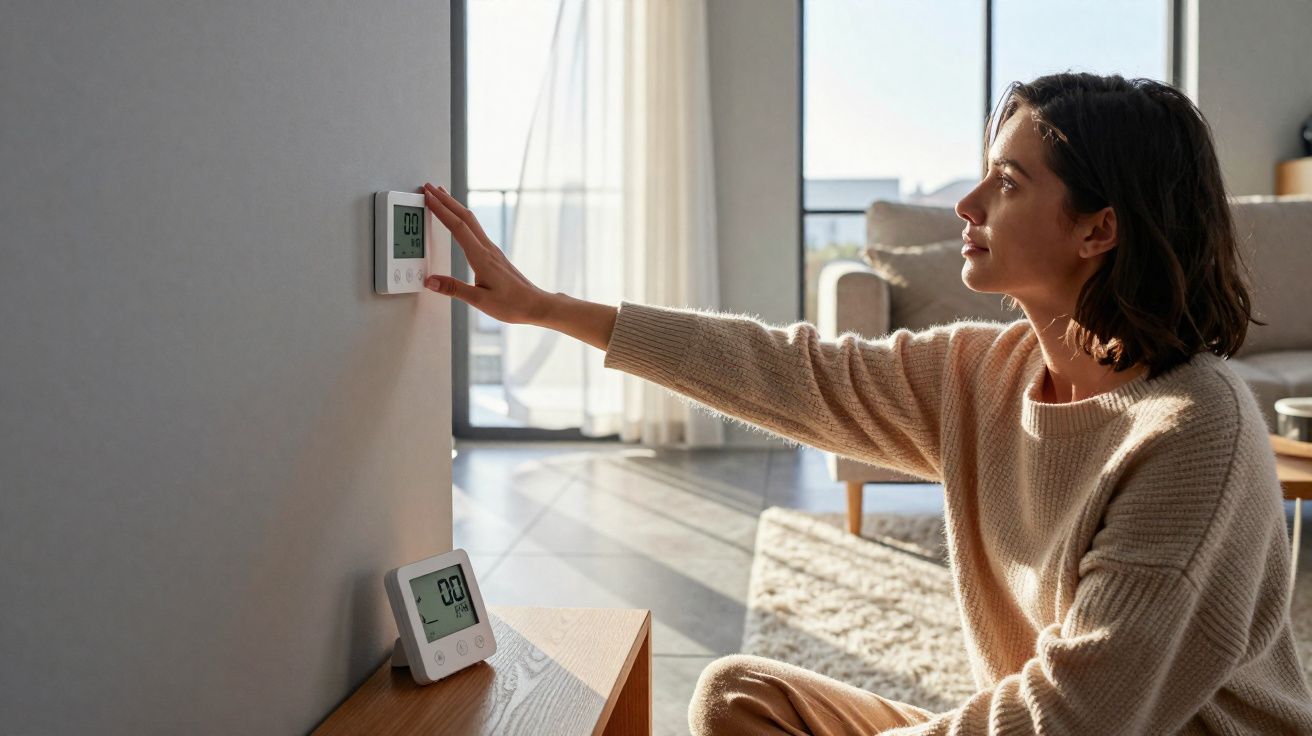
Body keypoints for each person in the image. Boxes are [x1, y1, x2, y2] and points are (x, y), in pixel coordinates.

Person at [419, 72, 1312, 734]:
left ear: (1099, 228)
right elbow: (786, 371)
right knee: (740, 698)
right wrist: (545, 309)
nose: (966, 203)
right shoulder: (986, 371)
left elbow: (1067, 721)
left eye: (1008, 182)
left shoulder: (1194, 434)